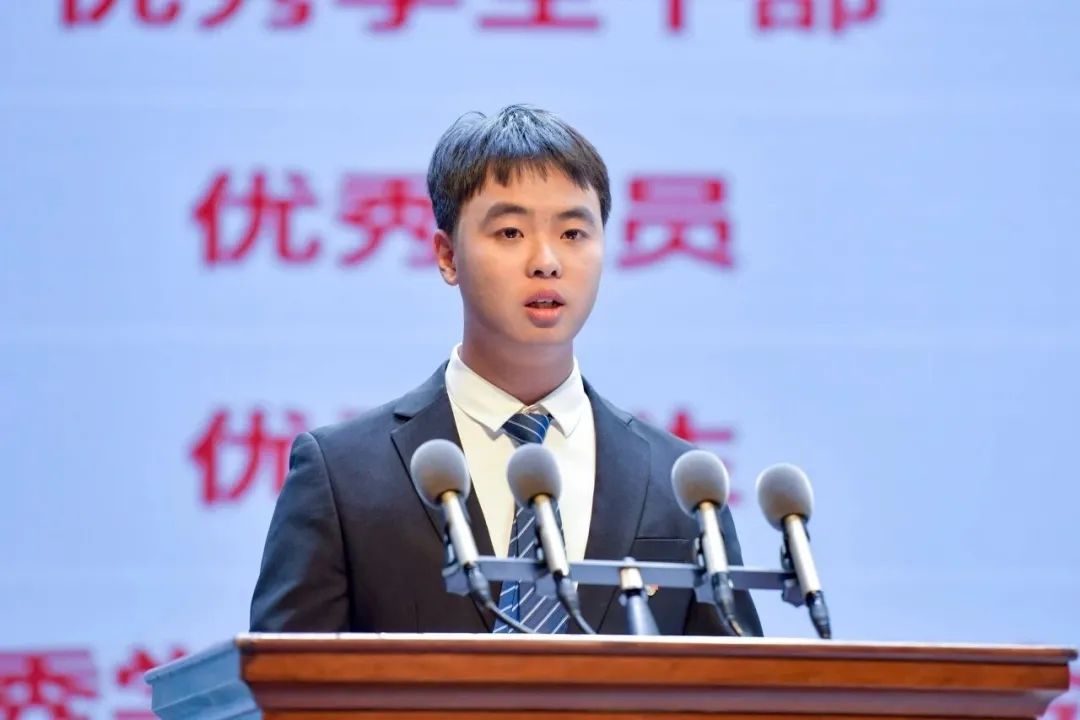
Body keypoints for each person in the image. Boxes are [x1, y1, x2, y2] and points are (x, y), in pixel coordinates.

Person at [249, 105, 762, 636]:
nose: (546, 261)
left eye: (573, 233)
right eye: (511, 232)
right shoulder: (342, 475)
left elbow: (737, 680)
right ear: (447, 256)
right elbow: (284, 675)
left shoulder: (680, 484)